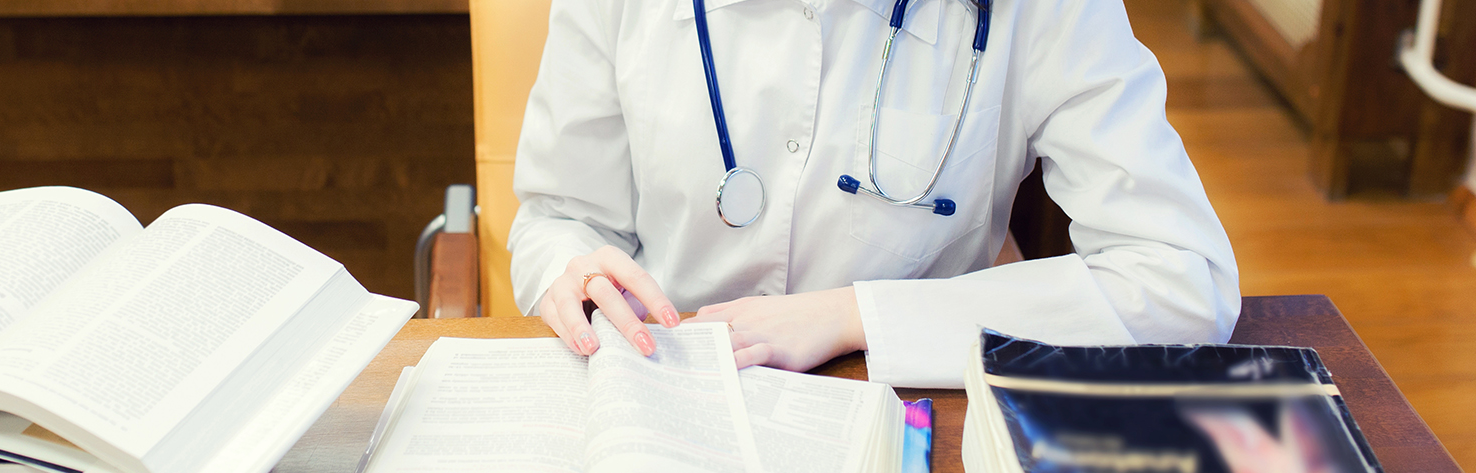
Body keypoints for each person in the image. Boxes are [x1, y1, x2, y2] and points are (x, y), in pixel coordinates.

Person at [508, 0, 1241, 388]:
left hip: (911, 402)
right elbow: (557, 215)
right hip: (662, 385)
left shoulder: (1047, 11)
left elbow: (1181, 279)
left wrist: (855, 314)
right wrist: (568, 267)